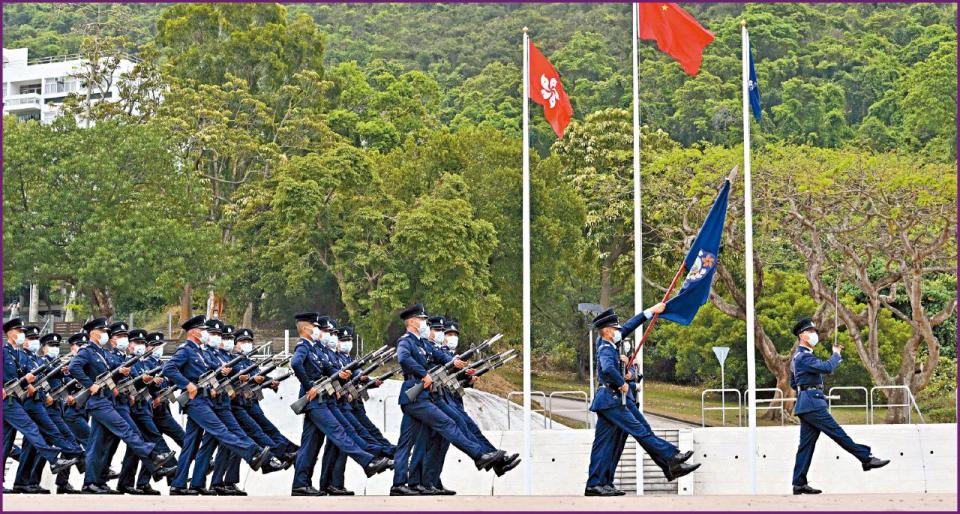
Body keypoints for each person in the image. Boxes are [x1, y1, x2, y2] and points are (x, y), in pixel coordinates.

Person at [390, 304, 507, 496]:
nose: (425, 323)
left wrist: (455, 363)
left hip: (423, 396)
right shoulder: (406, 342)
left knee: (408, 442)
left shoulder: (422, 344)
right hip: (415, 395)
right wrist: (422, 374)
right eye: (421, 320)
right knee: (447, 423)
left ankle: (404, 484)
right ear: (411, 322)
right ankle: (478, 455)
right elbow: (403, 359)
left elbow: (440, 355)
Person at [585, 304, 699, 496]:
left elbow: (629, 325)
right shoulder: (605, 347)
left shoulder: (609, 342)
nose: (619, 331)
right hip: (611, 399)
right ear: (606, 330)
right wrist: (622, 382)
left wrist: (651, 311)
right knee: (640, 430)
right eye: (615, 329)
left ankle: (598, 483)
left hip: (611, 400)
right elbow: (607, 368)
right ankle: (671, 457)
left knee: (606, 445)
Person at [162, 315, 282, 496]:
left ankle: (186, 484)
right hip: (196, 402)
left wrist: (224, 371)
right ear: (193, 332)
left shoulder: (201, 352)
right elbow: (169, 369)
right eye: (202, 330)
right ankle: (252, 453)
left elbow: (214, 369)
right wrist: (187, 384)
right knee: (221, 431)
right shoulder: (185, 350)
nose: (205, 333)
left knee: (192, 445)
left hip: (207, 400)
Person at [69, 317, 175, 494]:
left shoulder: (101, 353)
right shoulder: (87, 351)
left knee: (97, 445)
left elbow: (112, 373)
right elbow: (74, 368)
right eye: (102, 331)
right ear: (92, 333)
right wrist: (90, 384)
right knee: (125, 429)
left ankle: (93, 482)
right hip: (98, 403)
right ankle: (152, 455)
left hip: (107, 400)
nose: (104, 334)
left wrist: (121, 372)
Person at [290, 313, 392, 496]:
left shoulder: (315, 349)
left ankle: (301, 484)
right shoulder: (303, 346)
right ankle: (367, 462)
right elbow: (295, 363)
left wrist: (342, 374)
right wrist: (308, 386)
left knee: (311, 445)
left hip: (323, 399)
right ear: (305, 328)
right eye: (315, 327)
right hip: (315, 400)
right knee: (338, 431)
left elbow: (327, 369)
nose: (318, 331)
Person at [790, 317, 890, 494]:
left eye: (815, 332)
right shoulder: (803, 357)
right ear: (802, 335)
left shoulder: (799, 357)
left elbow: (793, 383)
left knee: (806, 446)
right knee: (838, 433)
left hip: (807, 403)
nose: (815, 335)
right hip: (813, 405)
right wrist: (836, 354)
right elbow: (827, 367)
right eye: (811, 332)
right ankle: (866, 458)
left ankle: (799, 483)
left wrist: (808, 390)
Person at [3, 318, 79, 495]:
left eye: (23, 331)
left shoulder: (19, 355)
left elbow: (21, 377)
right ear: (9, 333)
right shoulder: (3, 352)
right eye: (18, 331)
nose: (22, 334)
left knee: (5, 443)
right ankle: (53, 460)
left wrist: (29, 381)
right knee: (31, 428)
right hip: (8, 401)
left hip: (17, 399)